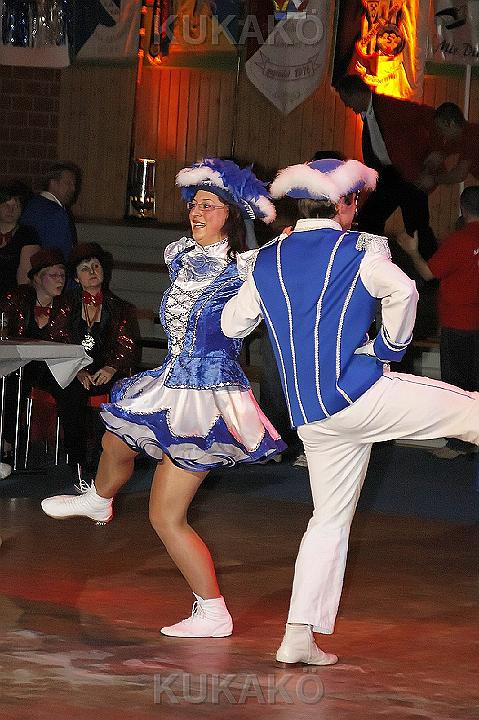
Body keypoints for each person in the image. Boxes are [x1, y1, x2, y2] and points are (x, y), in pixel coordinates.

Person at [221, 157, 479, 666]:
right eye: (355, 200)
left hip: (312, 417)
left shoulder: (265, 260)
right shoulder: (359, 248)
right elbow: (404, 290)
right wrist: (387, 348)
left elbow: (232, 325)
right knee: (472, 414)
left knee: (328, 521)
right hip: (360, 395)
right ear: (343, 203)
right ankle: (298, 636)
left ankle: (298, 636)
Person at [41, 158, 285, 638]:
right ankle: (99, 499)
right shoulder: (180, 254)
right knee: (115, 438)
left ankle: (213, 611)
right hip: (171, 380)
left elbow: (249, 318)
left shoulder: (246, 270)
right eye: (194, 203)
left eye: (209, 205)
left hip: (208, 396)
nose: (197, 211)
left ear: (231, 214)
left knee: (165, 516)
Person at [397, 186, 479, 456]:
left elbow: (428, 272)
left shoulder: (459, 241)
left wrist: (412, 251)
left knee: (457, 386)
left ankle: (459, 443)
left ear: (462, 209)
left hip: (459, 323)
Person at [48, 242, 140, 476]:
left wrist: (111, 367)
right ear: (76, 278)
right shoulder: (64, 304)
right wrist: (76, 370)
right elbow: (57, 340)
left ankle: (106, 455)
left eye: (96, 266)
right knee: (71, 392)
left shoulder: (120, 308)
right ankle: (78, 459)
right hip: (72, 369)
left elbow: (127, 345)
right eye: (85, 268)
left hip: (106, 368)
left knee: (120, 390)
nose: (92, 272)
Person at [336, 74, 437, 259]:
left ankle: (432, 270)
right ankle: (373, 262)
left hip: (408, 174)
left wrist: (434, 154)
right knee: (370, 219)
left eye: (346, 99)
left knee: (417, 227)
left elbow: (431, 116)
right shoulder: (371, 113)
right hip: (391, 174)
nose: (346, 105)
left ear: (356, 94)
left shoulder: (389, 107)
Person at [0, 248, 66, 473]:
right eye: (53, 275)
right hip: (18, 366)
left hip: (51, 369)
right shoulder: (17, 299)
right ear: (37, 278)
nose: (60, 280)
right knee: (10, 383)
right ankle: (7, 442)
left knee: (20, 383)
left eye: (62, 275)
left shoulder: (67, 306)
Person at [21, 162, 81, 261]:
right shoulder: (56, 213)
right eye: (68, 183)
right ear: (53, 183)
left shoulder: (31, 205)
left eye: (74, 184)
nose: (73, 189)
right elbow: (61, 253)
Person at [417, 103, 479, 192]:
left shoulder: (471, 136)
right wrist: (433, 162)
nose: (441, 133)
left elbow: (459, 175)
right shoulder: (461, 137)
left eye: (441, 129)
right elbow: (442, 153)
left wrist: (434, 180)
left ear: (451, 124)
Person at [0, 183, 40, 298]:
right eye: (6, 205)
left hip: (12, 299)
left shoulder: (27, 235)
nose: (10, 210)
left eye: (16, 205)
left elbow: (25, 278)